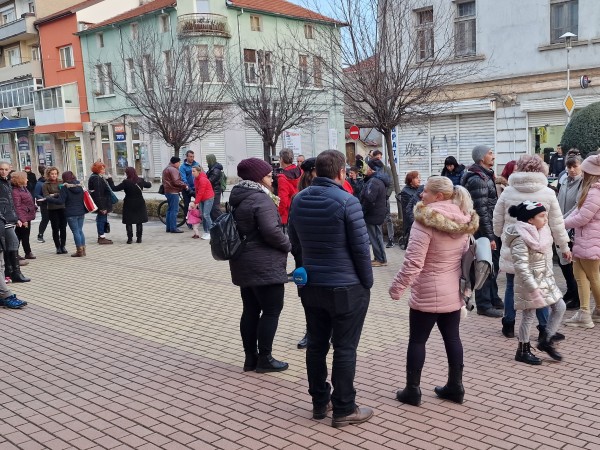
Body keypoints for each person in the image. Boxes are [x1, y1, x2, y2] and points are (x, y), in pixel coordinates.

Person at [288, 149, 373, 428]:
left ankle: (319, 402)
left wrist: (305, 269)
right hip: (346, 286)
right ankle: (344, 407)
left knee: (316, 345)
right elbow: (361, 249)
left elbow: (295, 243)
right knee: (345, 347)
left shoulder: (298, 200)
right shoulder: (347, 202)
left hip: (312, 285)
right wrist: (367, 281)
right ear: (340, 172)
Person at [390, 176, 478, 406]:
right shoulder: (464, 219)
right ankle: (456, 387)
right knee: (453, 338)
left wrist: (396, 288)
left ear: (438, 196)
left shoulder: (425, 221)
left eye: (426, 191)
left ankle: (412, 390)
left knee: (418, 341)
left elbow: (413, 263)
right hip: (453, 291)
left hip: (428, 290)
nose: (421, 194)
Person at [492, 155, 570, 339]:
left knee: (511, 284)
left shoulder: (508, 191)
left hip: (514, 245)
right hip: (539, 248)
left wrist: (501, 235)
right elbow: (557, 223)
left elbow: (497, 218)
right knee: (541, 285)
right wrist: (564, 246)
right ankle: (544, 327)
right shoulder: (548, 192)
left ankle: (509, 323)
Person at [228, 158, 291, 373]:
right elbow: (271, 232)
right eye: (267, 174)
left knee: (251, 310)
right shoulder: (260, 199)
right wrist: (288, 244)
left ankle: (250, 358)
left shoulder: (238, 196)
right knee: (272, 309)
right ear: (257, 177)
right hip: (264, 263)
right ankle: (265, 358)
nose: (271, 176)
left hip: (243, 261)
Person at [505, 201, 566, 364]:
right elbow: (521, 267)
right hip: (529, 282)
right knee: (529, 315)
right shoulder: (520, 237)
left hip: (545, 279)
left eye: (545, 215)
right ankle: (522, 350)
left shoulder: (542, 232)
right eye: (541, 216)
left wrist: (550, 277)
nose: (546, 219)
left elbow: (545, 259)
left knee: (560, 306)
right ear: (530, 220)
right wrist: (533, 288)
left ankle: (546, 339)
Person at [461, 145, 503, 317]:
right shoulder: (478, 179)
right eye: (490, 153)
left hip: (489, 227)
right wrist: (489, 236)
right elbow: (482, 210)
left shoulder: (486, 175)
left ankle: (494, 298)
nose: (493, 156)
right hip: (484, 229)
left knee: (493, 265)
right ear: (481, 158)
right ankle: (484, 304)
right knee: (484, 265)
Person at [563, 154, 600, 328]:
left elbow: (582, 217)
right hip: (586, 239)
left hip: (589, 240)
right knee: (581, 276)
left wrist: (561, 224)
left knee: (592, 277)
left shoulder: (594, 191)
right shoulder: (592, 190)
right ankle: (586, 312)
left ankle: (592, 311)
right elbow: (578, 212)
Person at [556, 153, 583, 310]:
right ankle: (571, 290)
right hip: (561, 226)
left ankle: (577, 296)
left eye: (575, 166)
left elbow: (578, 206)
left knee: (571, 262)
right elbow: (559, 201)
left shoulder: (583, 183)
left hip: (572, 228)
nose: (572, 170)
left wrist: (561, 221)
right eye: (569, 166)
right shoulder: (564, 180)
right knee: (563, 261)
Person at [0, 161, 30, 283]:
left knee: (10, 245)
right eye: (1, 169)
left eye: (6, 169)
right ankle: (13, 272)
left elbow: (11, 202)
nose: (3, 171)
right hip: (3, 219)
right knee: (12, 243)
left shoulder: (7, 182)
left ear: (9, 170)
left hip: (9, 218)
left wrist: (16, 218)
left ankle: (12, 272)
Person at [45, 171, 87, 257]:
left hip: (71, 212)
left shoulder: (65, 188)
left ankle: (79, 251)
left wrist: (49, 199)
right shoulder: (80, 186)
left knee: (75, 231)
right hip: (81, 211)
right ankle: (83, 250)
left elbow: (61, 201)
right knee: (80, 230)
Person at [107, 167, 152, 244]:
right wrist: (150, 182)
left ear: (127, 173)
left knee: (129, 221)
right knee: (139, 221)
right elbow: (148, 185)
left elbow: (114, 188)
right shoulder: (140, 180)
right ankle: (139, 239)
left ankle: (130, 239)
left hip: (129, 203)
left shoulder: (126, 182)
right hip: (140, 203)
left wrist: (110, 179)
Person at [360, 159, 390, 267]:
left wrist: (363, 210)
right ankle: (378, 257)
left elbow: (369, 198)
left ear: (372, 169)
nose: (366, 169)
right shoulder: (375, 180)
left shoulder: (374, 181)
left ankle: (381, 259)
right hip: (374, 213)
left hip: (373, 213)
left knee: (376, 237)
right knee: (375, 236)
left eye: (368, 167)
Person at [371, 150, 396, 248]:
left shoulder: (386, 169)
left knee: (388, 218)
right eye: (376, 158)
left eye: (380, 157)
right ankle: (378, 239)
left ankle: (391, 239)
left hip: (384, 197)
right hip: (374, 198)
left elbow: (391, 183)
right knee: (377, 219)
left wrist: (386, 195)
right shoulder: (371, 168)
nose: (378, 159)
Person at [42, 166, 68, 254]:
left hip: (62, 207)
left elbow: (64, 193)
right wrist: (57, 195)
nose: (54, 175)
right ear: (48, 174)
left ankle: (63, 245)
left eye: (55, 174)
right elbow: (46, 196)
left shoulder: (61, 182)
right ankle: (57, 246)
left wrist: (54, 194)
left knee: (63, 227)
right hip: (52, 208)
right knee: (55, 228)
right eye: (52, 174)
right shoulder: (46, 184)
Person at [11, 172, 37, 260]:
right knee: (20, 236)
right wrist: (22, 219)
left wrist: (34, 207)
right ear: (20, 180)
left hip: (27, 215)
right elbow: (17, 207)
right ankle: (17, 253)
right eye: (25, 178)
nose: (27, 180)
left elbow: (28, 201)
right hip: (23, 217)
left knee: (24, 235)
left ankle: (26, 252)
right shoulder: (15, 192)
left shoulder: (24, 189)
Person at [276, 148, 301, 233]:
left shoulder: (282, 177)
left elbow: (283, 200)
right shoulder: (300, 171)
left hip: (287, 216)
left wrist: (277, 214)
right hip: (299, 211)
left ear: (282, 159)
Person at [88, 162, 113, 245]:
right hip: (101, 203)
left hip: (101, 202)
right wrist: (102, 207)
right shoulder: (96, 178)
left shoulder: (97, 177)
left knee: (101, 219)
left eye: (104, 168)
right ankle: (101, 237)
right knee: (101, 219)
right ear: (97, 170)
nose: (104, 170)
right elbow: (98, 193)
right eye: (102, 169)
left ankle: (102, 236)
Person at [162, 156, 189, 233]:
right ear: (176, 162)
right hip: (173, 191)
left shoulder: (166, 168)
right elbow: (176, 181)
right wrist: (185, 185)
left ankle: (169, 227)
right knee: (174, 210)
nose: (179, 164)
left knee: (169, 210)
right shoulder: (173, 169)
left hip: (167, 191)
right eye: (179, 163)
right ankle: (173, 228)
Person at [398, 171, 421, 249]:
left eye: (419, 178)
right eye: (417, 178)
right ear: (411, 180)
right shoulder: (405, 191)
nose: (419, 180)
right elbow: (409, 207)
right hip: (411, 217)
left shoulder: (419, 188)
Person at [192, 166, 214, 240]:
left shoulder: (203, 179)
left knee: (206, 215)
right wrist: (197, 202)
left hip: (208, 198)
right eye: (192, 171)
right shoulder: (196, 180)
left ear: (199, 172)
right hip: (202, 198)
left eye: (194, 171)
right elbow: (197, 192)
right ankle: (206, 232)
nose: (192, 173)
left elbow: (201, 192)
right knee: (202, 215)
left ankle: (212, 232)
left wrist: (196, 202)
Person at [180, 150, 200, 222]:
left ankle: (198, 218)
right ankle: (188, 220)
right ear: (187, 157)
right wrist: (187, 187)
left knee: (199, 203)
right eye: (190, 157)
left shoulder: (197, 164)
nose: (192, 158)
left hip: (196, 188)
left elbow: (201, 174)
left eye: (193, 156)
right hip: (187, 189)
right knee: (187, 205)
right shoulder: (183, 167)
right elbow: (183, 178)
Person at [206, 154, 224, 220]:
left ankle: (225, 220)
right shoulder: (211, 168)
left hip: (215, 191)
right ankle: (216, 223)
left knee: (215, 208)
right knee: (212, 209)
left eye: (207, 160)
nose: (206, 161)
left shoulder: (216, 170)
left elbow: (210, 180)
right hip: (212, 190)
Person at [34, 165, 49, 243]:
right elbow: (36, 194)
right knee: (45, 219)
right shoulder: (40, 183)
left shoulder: (54, 181)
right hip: (45, 204)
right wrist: (45, 198)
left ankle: (58, 236)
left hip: (55, 203)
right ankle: (40, 235)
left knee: (56, 220)